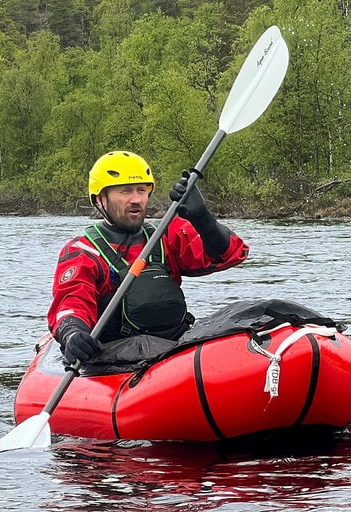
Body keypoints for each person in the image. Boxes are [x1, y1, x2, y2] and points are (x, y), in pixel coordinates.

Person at [47, 150, 249, 364]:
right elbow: (72, 302)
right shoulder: (84, 252)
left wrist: (202, 218)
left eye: (141, 190)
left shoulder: (167, 234)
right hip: (116, 359)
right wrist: (72, 332)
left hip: (174, 350)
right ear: (100, 199)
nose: (136, 200)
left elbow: (231, 254)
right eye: (125, 192)